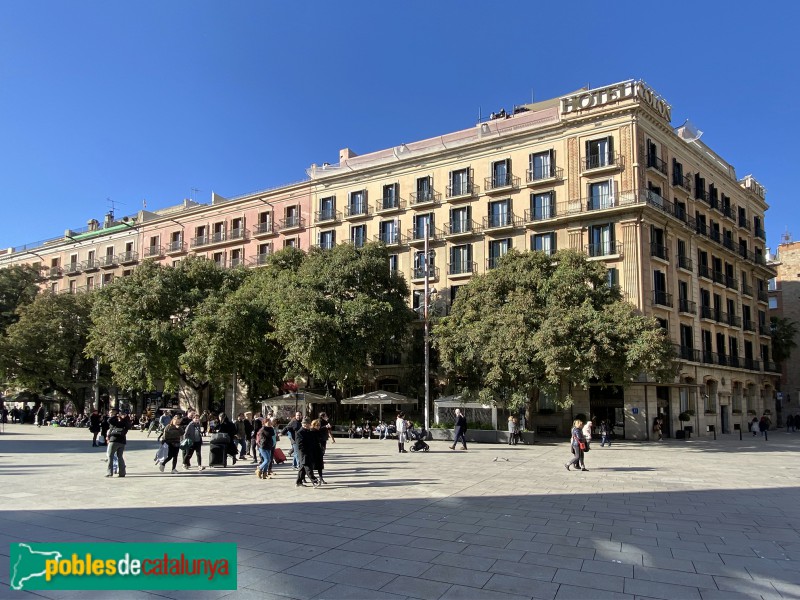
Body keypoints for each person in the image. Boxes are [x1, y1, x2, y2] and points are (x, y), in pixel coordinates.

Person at [295, 418, 321, 487]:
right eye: (304, 424)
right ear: (302, 424)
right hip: (303, 453)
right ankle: (314, 481)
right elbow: (299, 445)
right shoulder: (299, 433)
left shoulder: (309, 431)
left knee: (303, 468)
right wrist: (305, 451)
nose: (306, 425)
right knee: (308, 467)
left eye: (307, 424)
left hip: (310, 452)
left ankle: (298, 482)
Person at [105, 410, 131, 478]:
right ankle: (122, 473)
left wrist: (115, 416)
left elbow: (109, 420)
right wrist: (123, 417)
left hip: (114, 440)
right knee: (120, 457)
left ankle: (109, 472)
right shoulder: (126, 423)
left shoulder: (116, 422)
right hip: (122, 441)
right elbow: (129, 425)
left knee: (110, 456)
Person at [311, 419, 328, 484]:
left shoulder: (318, 431)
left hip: (319, 450)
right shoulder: (311, 432)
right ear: (313, 425)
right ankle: (307, 478)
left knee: (320, 465)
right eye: (317, 425)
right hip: (313, 451)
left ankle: (321, 478)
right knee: (311, 466)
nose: (318, 426)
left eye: (319, 425)